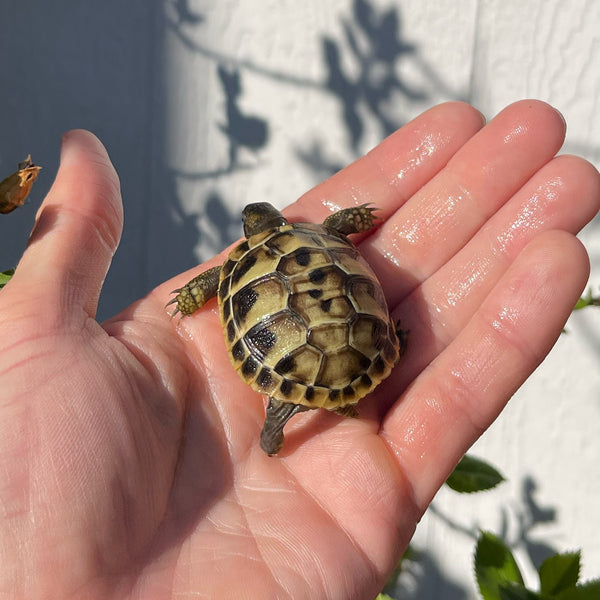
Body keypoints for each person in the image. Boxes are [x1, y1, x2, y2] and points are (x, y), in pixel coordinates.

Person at [0, 100, 597, 599]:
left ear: (253, 230)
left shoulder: (240, 265)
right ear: (276, 224)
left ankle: (275, 430)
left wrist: (185, 303)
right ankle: (374, 361)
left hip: (290, 355)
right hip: (364, 343)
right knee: (355, 357)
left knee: (277, 398)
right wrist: (360, 217)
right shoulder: (319, 234)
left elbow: (212, 288)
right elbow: (344, 230)